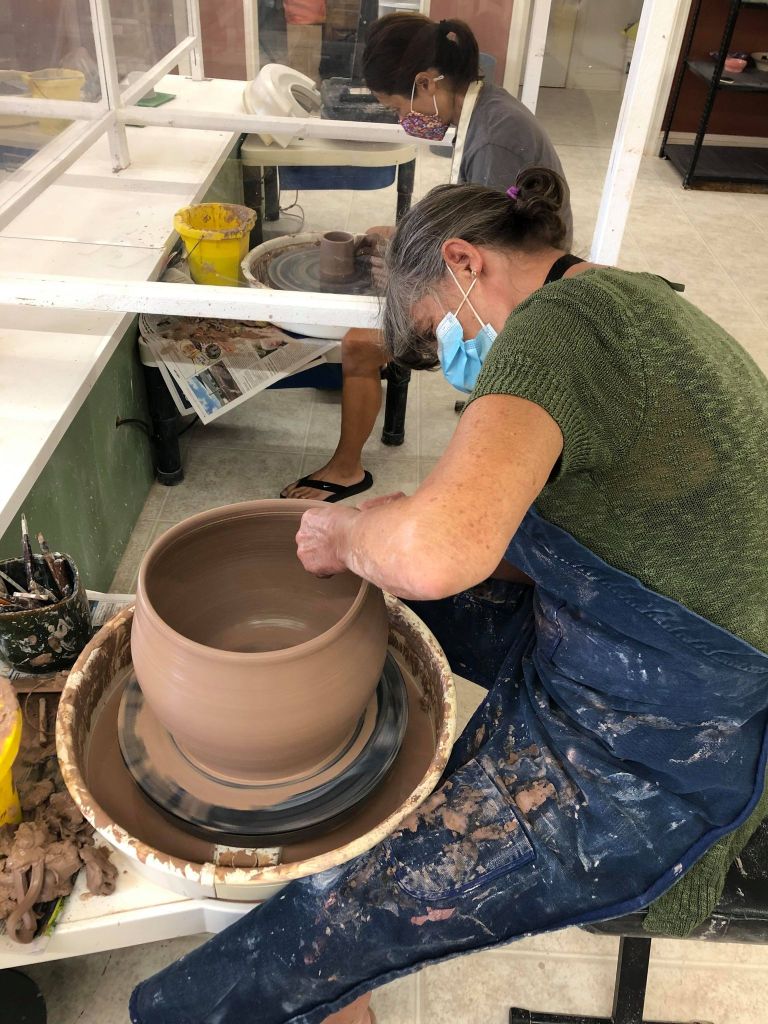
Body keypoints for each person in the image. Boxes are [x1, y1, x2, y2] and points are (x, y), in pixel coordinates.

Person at [131, 169, 768, 1024]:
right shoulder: (626, 300)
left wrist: (358, 536)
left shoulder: (559, 331)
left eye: (436, 332)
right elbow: (589, 533)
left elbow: (436, 558)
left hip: (681, 721)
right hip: (660, 625)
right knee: (374, 580)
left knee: (337, 917)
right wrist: (392, 536)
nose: (452, 357)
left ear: (465, 261)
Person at [281, 12, 572, 504]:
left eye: (399, 107)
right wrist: (402, 237)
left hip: (521, 298)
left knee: (360, 343)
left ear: (425, 83)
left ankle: (346, 469)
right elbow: (476, 224)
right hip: (503, 268)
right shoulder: (485, 111)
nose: (403, 120)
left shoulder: (496, 137)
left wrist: (404, 265)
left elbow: (486, 259)